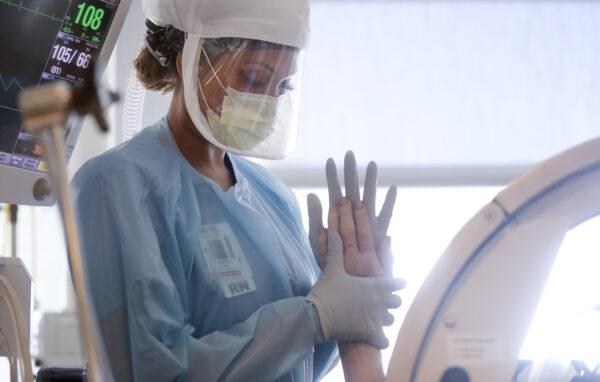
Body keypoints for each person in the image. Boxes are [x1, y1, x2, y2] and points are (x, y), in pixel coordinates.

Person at [72, 0, 404, 381]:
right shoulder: (117, 187)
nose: (267, 102)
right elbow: (154, 370)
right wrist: (315, 316)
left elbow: (296, 366)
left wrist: (346, 312)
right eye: (254, 79)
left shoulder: (273, 198)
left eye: (283, 86)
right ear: (190, 61)